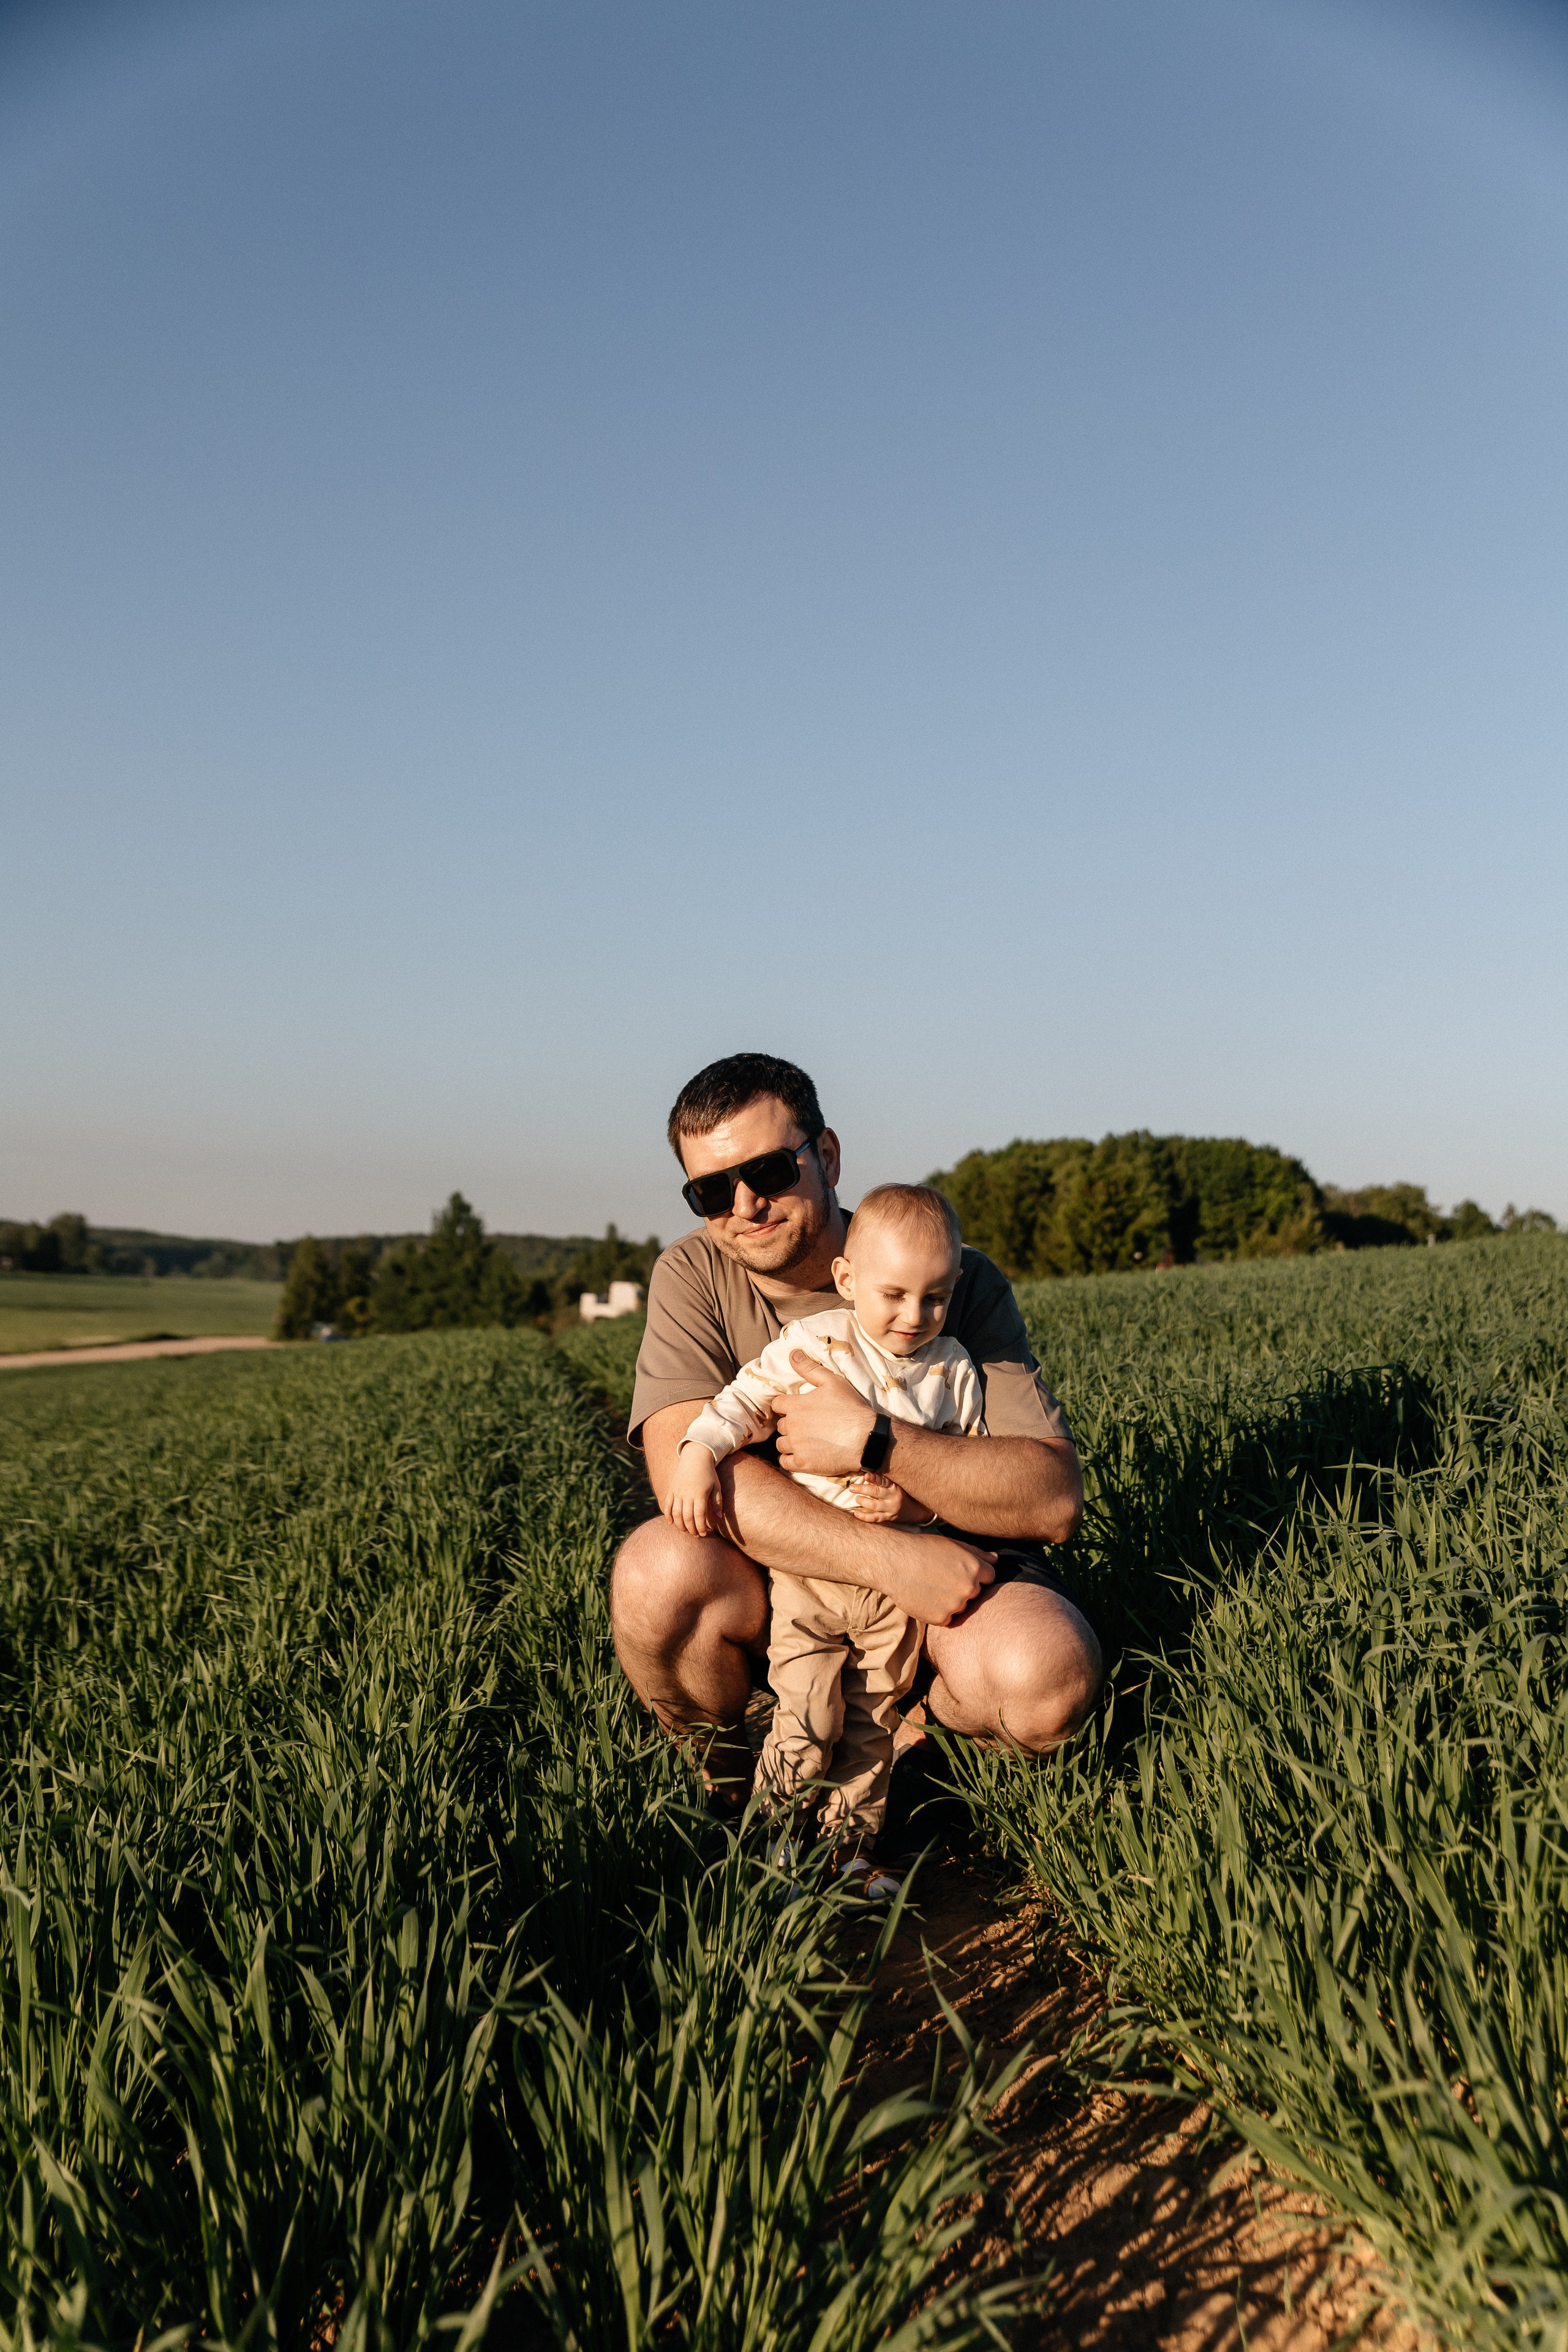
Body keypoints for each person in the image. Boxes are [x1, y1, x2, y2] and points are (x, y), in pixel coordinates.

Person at [610, 1052, 1100, 1802]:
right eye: (710, 1189)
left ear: (826, 1156)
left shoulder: (942, 1279)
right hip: (799, 1582)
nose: (744, 1204)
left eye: (769, 1171)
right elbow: (684, 1474)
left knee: (1046, 1678)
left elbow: (1052, 1499)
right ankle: (726, 1787)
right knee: (656, 1573)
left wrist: (877, 1441)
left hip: (951, 1575)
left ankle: (915, 1738)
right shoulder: (692, 1276)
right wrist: (891, 1561)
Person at [668, 1183, 984, 1884]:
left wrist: (913, 1507)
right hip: (813, 1578)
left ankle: (852, 1852)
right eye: (893, 1294)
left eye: (934, 1297)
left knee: (872, 1725)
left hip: (895, 1589)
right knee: (806, 1715)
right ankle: (774, 1842)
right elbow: (744, 1402)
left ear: (955, 1289)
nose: (913, 1315)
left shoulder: (954, 1369)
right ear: (847, 1280)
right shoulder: (818, 1344)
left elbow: (963, 1476)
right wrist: (699, 1453)